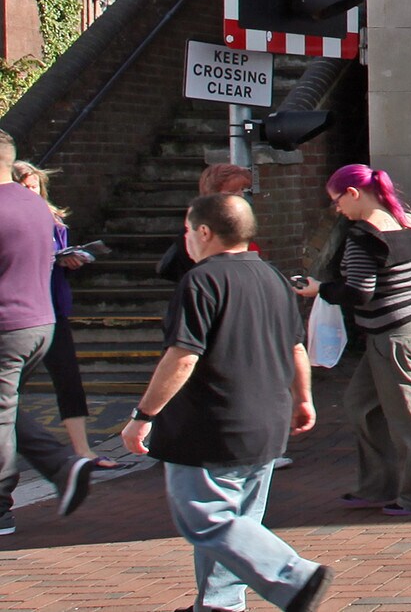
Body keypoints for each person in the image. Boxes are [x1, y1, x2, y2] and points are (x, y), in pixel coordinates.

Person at [120, 193, 329, 612]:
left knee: (205, 518)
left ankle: (295, 576)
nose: (186, 240)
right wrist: (303, 399)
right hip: (265, 420)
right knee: (240, 525)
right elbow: (296, 348)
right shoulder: (272, 278)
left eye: (186, 230)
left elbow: (183, 356)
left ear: (203, 231)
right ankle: (219, 604)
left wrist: (143, 416)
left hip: (209, 424)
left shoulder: (200, 281)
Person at [311, 164, 411, 518]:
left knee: (410, 420)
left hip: (393, 338)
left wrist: (319, 290)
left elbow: (359, 291)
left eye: (338, 201)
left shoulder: (364, 236)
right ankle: (378, 485)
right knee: (361, 405)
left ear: (354, 193)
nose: (337, 209)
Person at [0, 129, 93, 537]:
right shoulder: (37, 206)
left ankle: (2, 507)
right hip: (42, 324)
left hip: (6, 325)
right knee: (4, 410)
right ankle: (62, 465)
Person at [13, 163, 117, 470]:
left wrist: (69, 259)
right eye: (24, 187)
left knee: (68, 379)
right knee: (11, 389)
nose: (31, 194)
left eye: (34, 188)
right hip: (19, 315)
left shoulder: (55, 222)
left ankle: (83, 450)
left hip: (52, 309)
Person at [159, 164, 255, 281]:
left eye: (242, 190)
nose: (241, 196)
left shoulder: (236, 224)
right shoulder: (195, 232)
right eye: (232, 192)